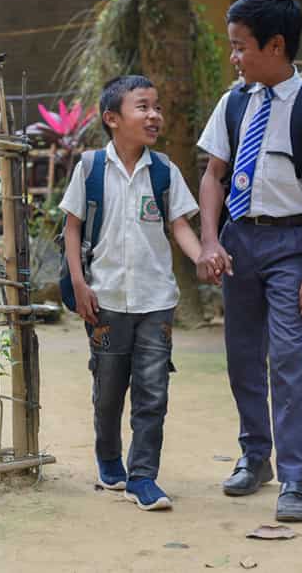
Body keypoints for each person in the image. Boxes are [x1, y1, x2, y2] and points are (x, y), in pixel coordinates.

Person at [196, 0, 302, 522]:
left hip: (291, 247)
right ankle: (255, 456)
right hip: (240, 245)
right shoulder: (233, 103)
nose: (234, 57)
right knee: (240, 357)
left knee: (285, 360)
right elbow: (213, 175)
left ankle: (296, 480)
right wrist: (211, 240)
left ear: (276, 45)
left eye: (240, 46)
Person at [59, 75, 208, 511]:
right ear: (112, 118)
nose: (154, 115)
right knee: (108, 390)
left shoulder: (163, 170)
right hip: (104, 300)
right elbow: (72, 230)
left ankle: (143, 477)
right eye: (142, 106)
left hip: (155, 301)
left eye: (156, 107)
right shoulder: (89, 168)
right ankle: (109, 456)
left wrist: (201, 257)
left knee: (152, 392)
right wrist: (81, 284)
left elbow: (180, 224)